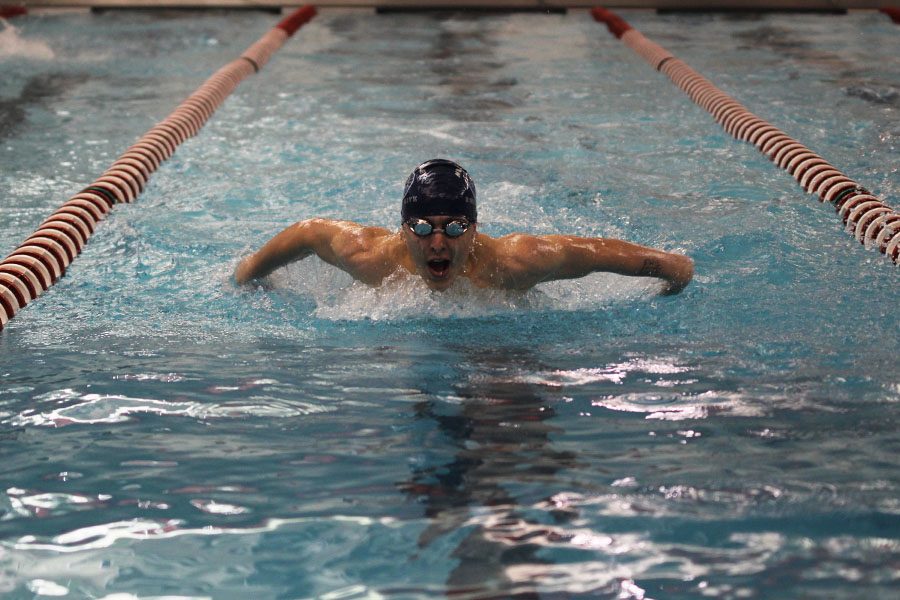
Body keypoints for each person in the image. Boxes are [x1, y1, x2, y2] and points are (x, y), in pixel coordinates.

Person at [234, 159, 694, 294]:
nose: (438, 243)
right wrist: (247, 275)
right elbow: (307, 231)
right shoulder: (368, 256)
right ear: (402, 229)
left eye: (454, 228)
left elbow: (656, 262)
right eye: (423, 228)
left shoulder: (516, 263)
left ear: (475, 230)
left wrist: (673, 276)